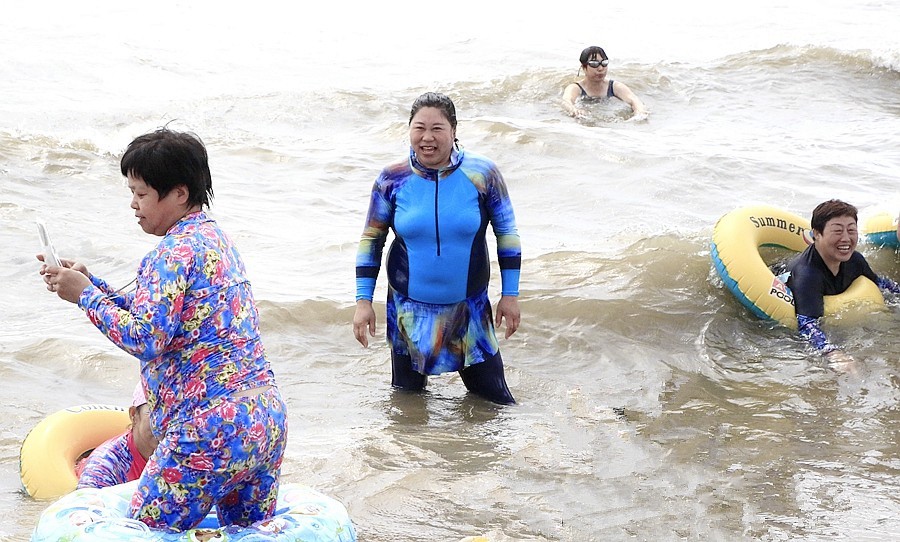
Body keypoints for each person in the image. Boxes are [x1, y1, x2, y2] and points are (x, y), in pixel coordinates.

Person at [39, 128, 287, 531]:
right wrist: (91, 284)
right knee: (245, 534)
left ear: (180, 193)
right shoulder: (217, 240)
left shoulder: (170, 253)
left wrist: (85, 298)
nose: (133, 205)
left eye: (141, 193)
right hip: (264, 420)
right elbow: (166, 322)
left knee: (144, 534)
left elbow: (147, 339)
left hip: (206, 430)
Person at [353, 92, 522, 405]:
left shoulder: (482, 174)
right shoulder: (392, 179)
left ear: (454, 130)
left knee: (497, 403)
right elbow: (371, 241)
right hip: (408, 312)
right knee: (407, 407)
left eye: (437, 129)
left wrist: (510, 295)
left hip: (468, 312)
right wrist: (363, 301)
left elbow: (507, 235)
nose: (427, 138)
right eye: (419, 128)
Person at [786, 199, 900, 364]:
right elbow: (806, 324)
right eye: (838, 231)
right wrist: (832, 353)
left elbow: (881, 284)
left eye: (851, 230)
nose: (846, 238)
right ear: (816, 234)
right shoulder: (808, 275)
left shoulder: (855, 260)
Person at [76, 383, 160, 489]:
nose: (165, 423)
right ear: (134, 415)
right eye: (155, 413)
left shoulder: (181, 455)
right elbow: (87, 499)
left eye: (175, 413)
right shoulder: (104, 465)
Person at [562, 45, 648, 119]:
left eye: (604, 63)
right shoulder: (575, 88)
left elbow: (634, 100)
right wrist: (575, 110)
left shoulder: (614, 87)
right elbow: (566, 101)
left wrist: (640, 112)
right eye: (594, 64)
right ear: (584, 67)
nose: (600, 68)